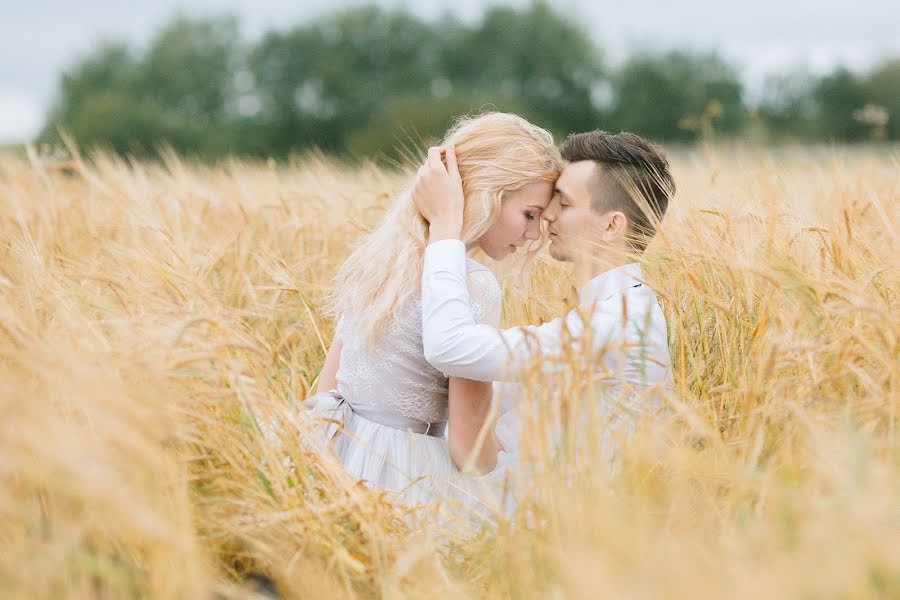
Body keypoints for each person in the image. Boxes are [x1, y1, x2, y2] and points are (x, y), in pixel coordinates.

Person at [304, 112, 562, 506]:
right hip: (406, 480)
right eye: (529, 215)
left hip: (335, 453)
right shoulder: (472, 284)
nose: (532, 235)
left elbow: (327, 389)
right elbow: (470, 453)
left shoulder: (380, 257)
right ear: (486, 193)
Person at [412, 130, 676, 511]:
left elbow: (450, 347)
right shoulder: (608, 312)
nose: (548, 215)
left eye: (564, 204)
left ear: (612, 225)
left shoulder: (620, 324)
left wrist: (445, 228)